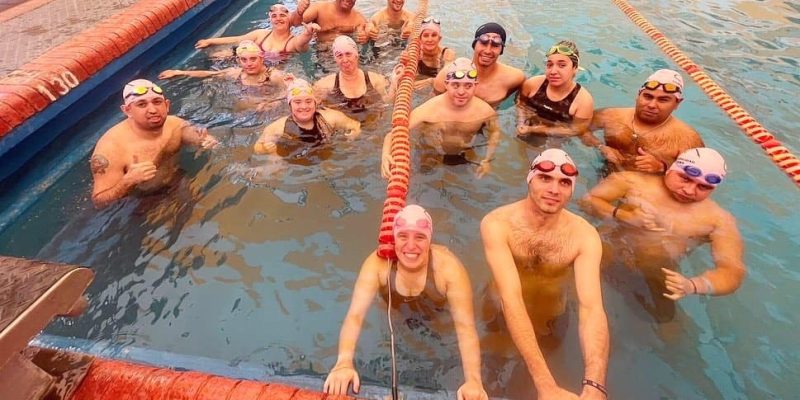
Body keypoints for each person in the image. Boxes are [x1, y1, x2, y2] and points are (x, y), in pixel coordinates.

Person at [480, 149, 609, 399]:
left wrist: (595, 384)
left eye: (564, 183)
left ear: (572, 190)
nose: (554, 189)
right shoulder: (498, 224)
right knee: (492, 381)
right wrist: (546, 384)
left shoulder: (584, 236)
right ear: (530, 179)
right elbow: (511, 298)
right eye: (545, 178)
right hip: (500, 313)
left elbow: (592, 308)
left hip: (552, 319)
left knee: (525, 389)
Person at [323, 205, 488, 400]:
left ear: (430, 240)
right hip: (395, 314)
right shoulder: (378, 264)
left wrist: (474, 380)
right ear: (393, 238)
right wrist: (343, 362)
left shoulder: (448, 270)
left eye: (419, 237)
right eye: (403, 236)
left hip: (437, 318)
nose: (410, 246)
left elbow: (465, 327)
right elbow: (355, 316)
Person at [581, 147, 746, 319]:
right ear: (673, 168)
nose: (689, 190)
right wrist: (624, 215)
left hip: (655, 274)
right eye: (685, 178)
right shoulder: (631, 182)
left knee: (665, 323)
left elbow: (732, 271)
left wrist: (694, 285)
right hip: (603, 252)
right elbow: (587, 201)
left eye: (703, 187)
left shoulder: (718, 220)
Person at [89, 79, 219, 209]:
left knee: (199, 208)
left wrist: (205, 140)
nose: (152, 110)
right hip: (137, 200)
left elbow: (190, 133)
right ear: (127, 110)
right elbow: (99, 202)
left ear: (167, 105)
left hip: (175, 180)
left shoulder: (174, 124)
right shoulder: (110, 148)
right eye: (141, 104)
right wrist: (128, 181)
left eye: (157, 102)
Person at [381, 58, 500, 179]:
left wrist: (487, 160)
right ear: (446, 84)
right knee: (420, 179)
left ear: (475, 86)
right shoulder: (429, 109)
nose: (461, 92)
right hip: (430, 153)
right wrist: (386, 154)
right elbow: (394, 133)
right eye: (455, 85)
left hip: (464, 152)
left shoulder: (485, 111)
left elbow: (495, 132)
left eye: (468, 86)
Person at [590, 69, 704, 174]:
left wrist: (662, 167)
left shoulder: (688, 138)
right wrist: (600, 146)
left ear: (677, 103)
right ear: (638, 95)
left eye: (663, 100)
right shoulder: (610, 115)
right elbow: (579, 130)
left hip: (643, 190)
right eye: (648, 97)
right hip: (602, 173)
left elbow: (699, 176)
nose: (652, 105)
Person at [254, 78, 360, 156]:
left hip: (326, 155)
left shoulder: (331, 117)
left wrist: (353, 134)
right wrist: (265, 149)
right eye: (297, 102)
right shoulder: (278, 127)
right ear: (290, 105)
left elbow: (355, 125)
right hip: (292, 161)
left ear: (315, 103)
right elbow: (257, 147)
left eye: (308, 101)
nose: (304, 107)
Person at [433, 22, 524, 108]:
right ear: (474, 45)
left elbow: (521, 107)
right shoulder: (447, 75)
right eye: (483, 43)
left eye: (495, 46)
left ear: (501, 50)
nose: (488, 51)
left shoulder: (515, 78)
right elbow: (433, 107)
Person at [516, 40, 595, 139]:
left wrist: (536, 129)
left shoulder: (583, 101)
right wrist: (521, 121)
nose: (553, 71)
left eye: (562, 65)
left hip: (555, 136)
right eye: (549, 65)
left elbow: (576, 130)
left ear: (575, 68)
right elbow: (520, 104)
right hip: (528, 124)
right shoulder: (532, 84)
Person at [193, 4, 319, 63]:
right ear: (270, 19)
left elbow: (302, 42)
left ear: (289, 18)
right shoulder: (261, 34)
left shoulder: (291, 43)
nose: (278, 18)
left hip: (269, 75)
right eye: (274, 16)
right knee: (216, 56)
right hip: (249, 65)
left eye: (282, 15)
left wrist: (308, 33)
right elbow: (237, 39)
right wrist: (209, 41)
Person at [313, 35, 391, 118]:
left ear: (356, 55)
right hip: (345, 129)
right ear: (335, 59)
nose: (345, 60)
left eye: (348, 54)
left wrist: (395, 81)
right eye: (339, 55)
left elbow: (387, 103)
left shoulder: (376, 80)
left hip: (373, 126)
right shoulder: (325, 85)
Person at [159, 40, 285, 87]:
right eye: (244, 60)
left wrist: (271, 102)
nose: (249, 64)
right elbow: (210, 74)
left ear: (261, 59)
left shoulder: (274, 76)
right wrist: (179, 72)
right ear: (238, 61)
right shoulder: (235, 73)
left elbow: (291, 94)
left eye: (253, 59)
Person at [290, 0, 369, 44]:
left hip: (346, 58)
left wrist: (365, 38)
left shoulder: (359, 19)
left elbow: (363, 37)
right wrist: (299, 12)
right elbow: (294, 23)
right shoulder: (320, 9)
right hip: (322, 54)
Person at [414, 16, 456, 89]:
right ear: (420, 39)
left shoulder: (447, 54)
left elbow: (449, 77)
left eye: (434, 35)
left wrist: (431, 81)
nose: (430, 39)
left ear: (439, 38)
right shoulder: (415, 53)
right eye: (426, 35)